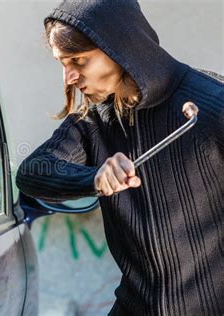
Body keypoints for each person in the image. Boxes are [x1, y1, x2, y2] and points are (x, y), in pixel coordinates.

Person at [16, 0, 223, 314]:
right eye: (62, 63)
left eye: (79, 61)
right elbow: (33, 172)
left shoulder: (214, 105)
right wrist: (94, 177)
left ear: (119, 46)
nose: (68, 77)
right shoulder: (93, 123)